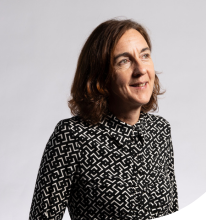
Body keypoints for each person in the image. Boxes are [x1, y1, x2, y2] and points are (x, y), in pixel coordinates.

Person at [29, 18, 178, 220]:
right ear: (101, 77)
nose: (141, 70)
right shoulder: (72, 137)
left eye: (144, 55)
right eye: (124, 61)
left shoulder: (160, 130)